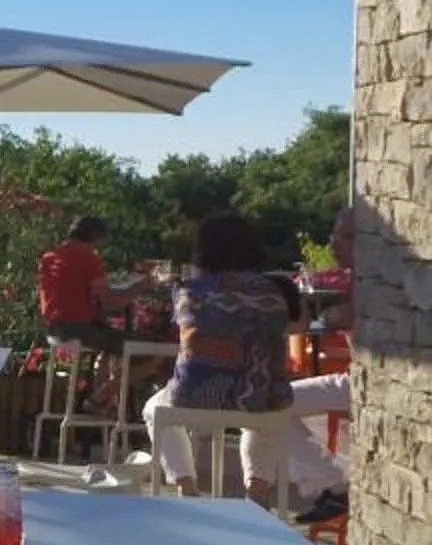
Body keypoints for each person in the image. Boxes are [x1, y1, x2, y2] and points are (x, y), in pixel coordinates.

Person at [142, 212, 297, 503]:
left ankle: (186, 488)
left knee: (153, 409)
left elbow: (191, 342)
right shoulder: (274, 291)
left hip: (194, 396)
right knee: (267, 408)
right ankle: (257, 491)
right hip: (260, 394)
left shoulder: (190, 289)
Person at [285, 204, 356, 522]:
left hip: (359, 384)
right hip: (353, 378)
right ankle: (328, 485)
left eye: (344, 237)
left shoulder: (377, 281)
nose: (333, 245)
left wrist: (332, 314)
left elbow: (345, 315)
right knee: (265, 410)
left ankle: (334, 486)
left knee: (269, 402)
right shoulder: (362, 278)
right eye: (333, 236)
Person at [37, 215, 132, 353]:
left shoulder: (49, 257)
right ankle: (126, 375)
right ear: (97, 238)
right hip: (79, 331)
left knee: (111, 339)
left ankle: (103, 375)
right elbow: (110, 303)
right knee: (145, 347)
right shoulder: (88, 258)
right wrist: (140, 287)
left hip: (54, 328)